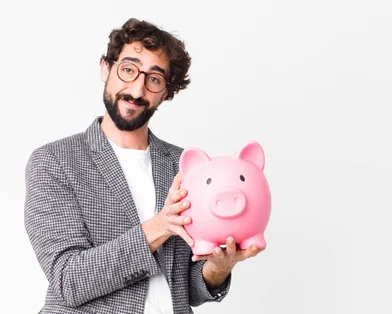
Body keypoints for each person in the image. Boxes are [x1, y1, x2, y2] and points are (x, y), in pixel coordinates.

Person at [23, 18, 263, 314]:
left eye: (154, 79)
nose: (137, 90)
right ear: (105, 68)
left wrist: (218, 267)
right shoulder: (55, 162)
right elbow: (69, 280)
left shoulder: (184, 166)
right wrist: (158, 227)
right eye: (128, 69)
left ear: (166, 93)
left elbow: (185, 288)